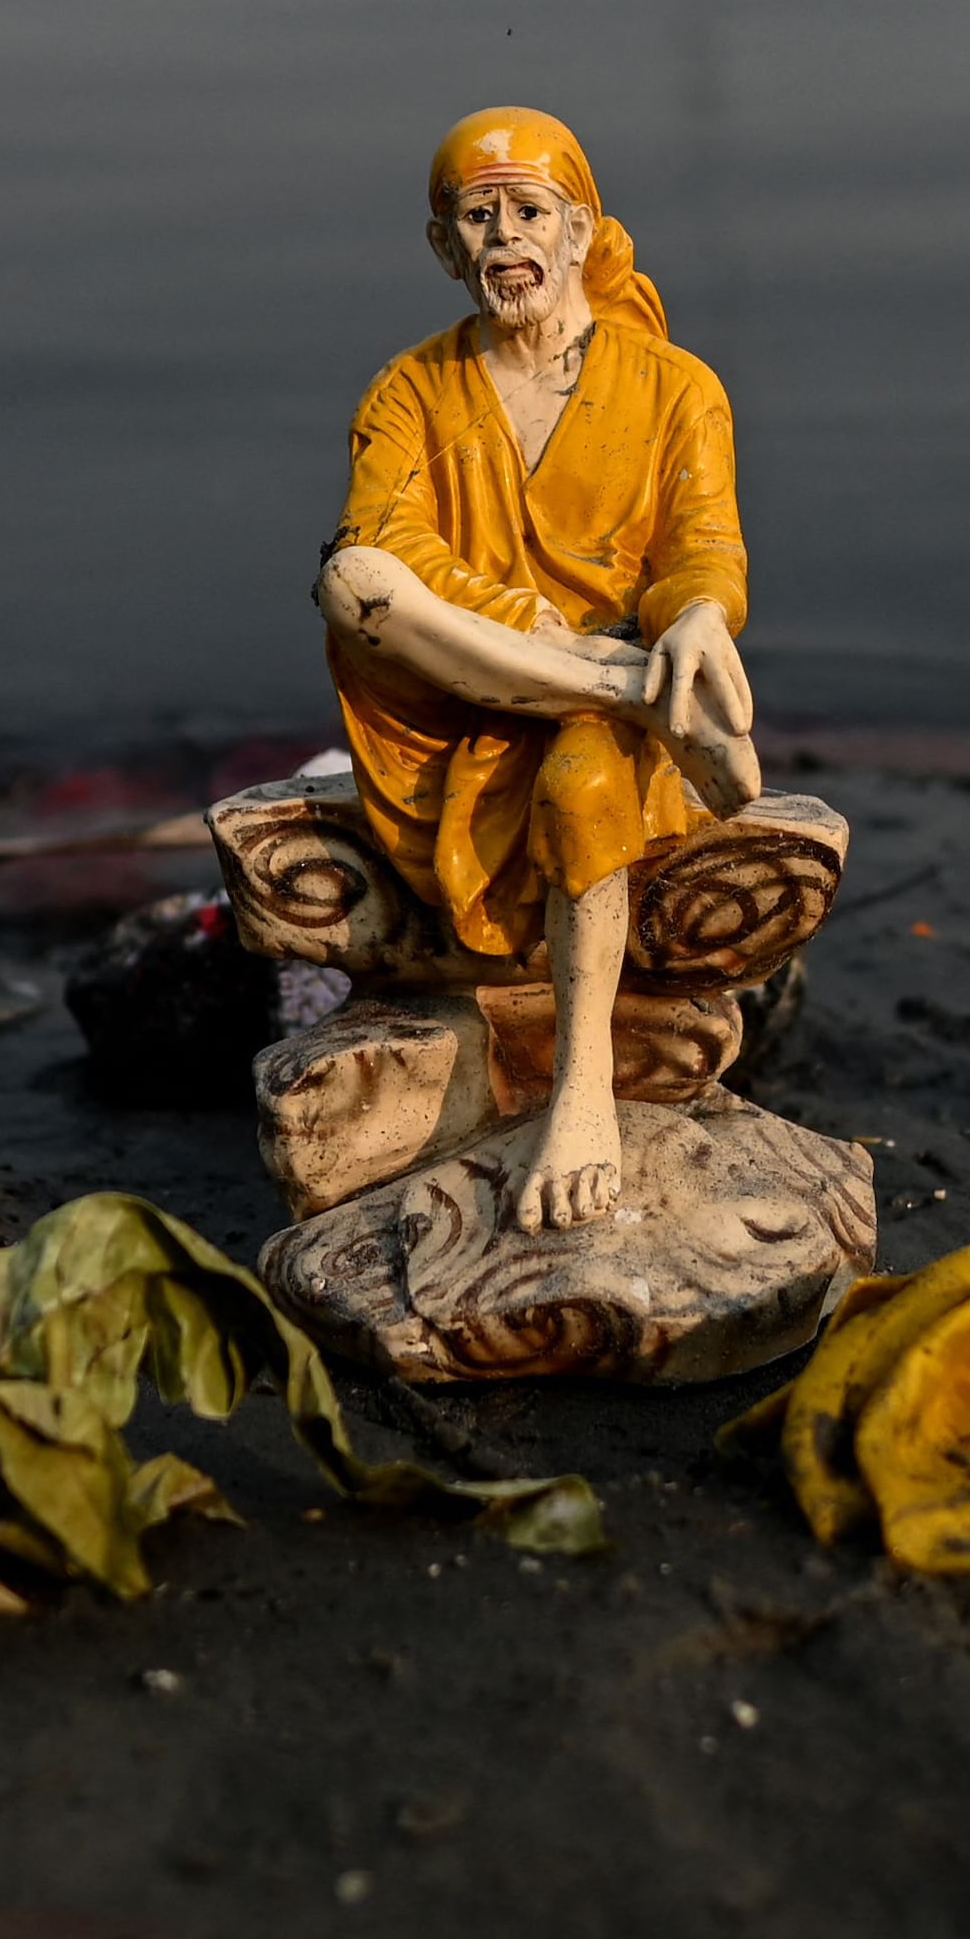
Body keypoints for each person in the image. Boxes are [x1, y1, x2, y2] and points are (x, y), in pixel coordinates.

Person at [314, 105, 759, 1234]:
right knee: (349, 579)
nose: (503, 238)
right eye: (477, 215)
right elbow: (391, 544)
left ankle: (580, 1094)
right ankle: (632, 697)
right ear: (441, 245)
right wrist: (564, 651)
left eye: (527, 212)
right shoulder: (408, 390)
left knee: (580, 786)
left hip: (583, 712)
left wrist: (701, 620)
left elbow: (696, 545)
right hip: (475, 675)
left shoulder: (674, 387)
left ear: (578, 229)